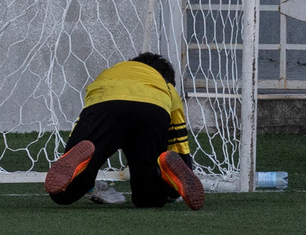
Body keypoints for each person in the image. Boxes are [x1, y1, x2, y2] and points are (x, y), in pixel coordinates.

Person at [42, 53, 205, 211]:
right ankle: (164, 170)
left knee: (63, 193)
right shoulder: (165, 86)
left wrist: (72, 147)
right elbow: (179, 140)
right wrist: (184, 170)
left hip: (105, 103)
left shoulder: (113, 72)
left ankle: (80, 168)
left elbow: (81, 124)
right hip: (152, 108)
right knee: (149, 199)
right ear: (166, 78)